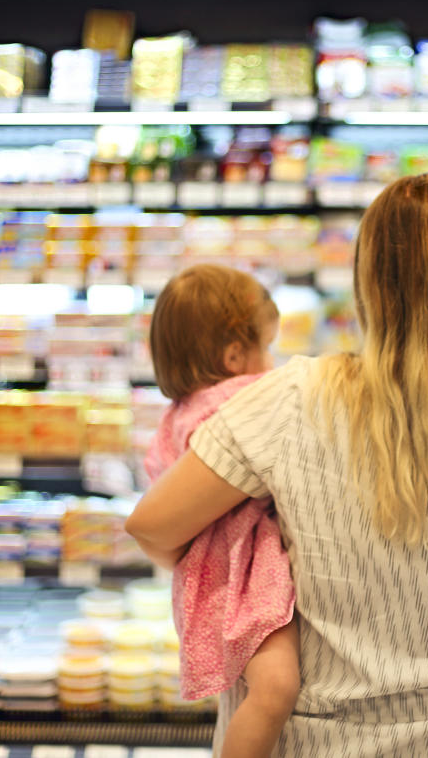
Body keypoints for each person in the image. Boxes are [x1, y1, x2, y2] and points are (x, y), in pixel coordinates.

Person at [127, 173, 428, 757]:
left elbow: (152, 525)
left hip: (325, 740)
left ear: (370, 284)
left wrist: (237, 572)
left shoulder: (294, 398)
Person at [140, 263, 299, 758]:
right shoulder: (236, 403)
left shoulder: (180, 412)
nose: (272, 364)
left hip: (215, 574)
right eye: (266, 349)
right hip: (243, 575)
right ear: (234, 356)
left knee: (253, 692)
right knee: (276, 688)